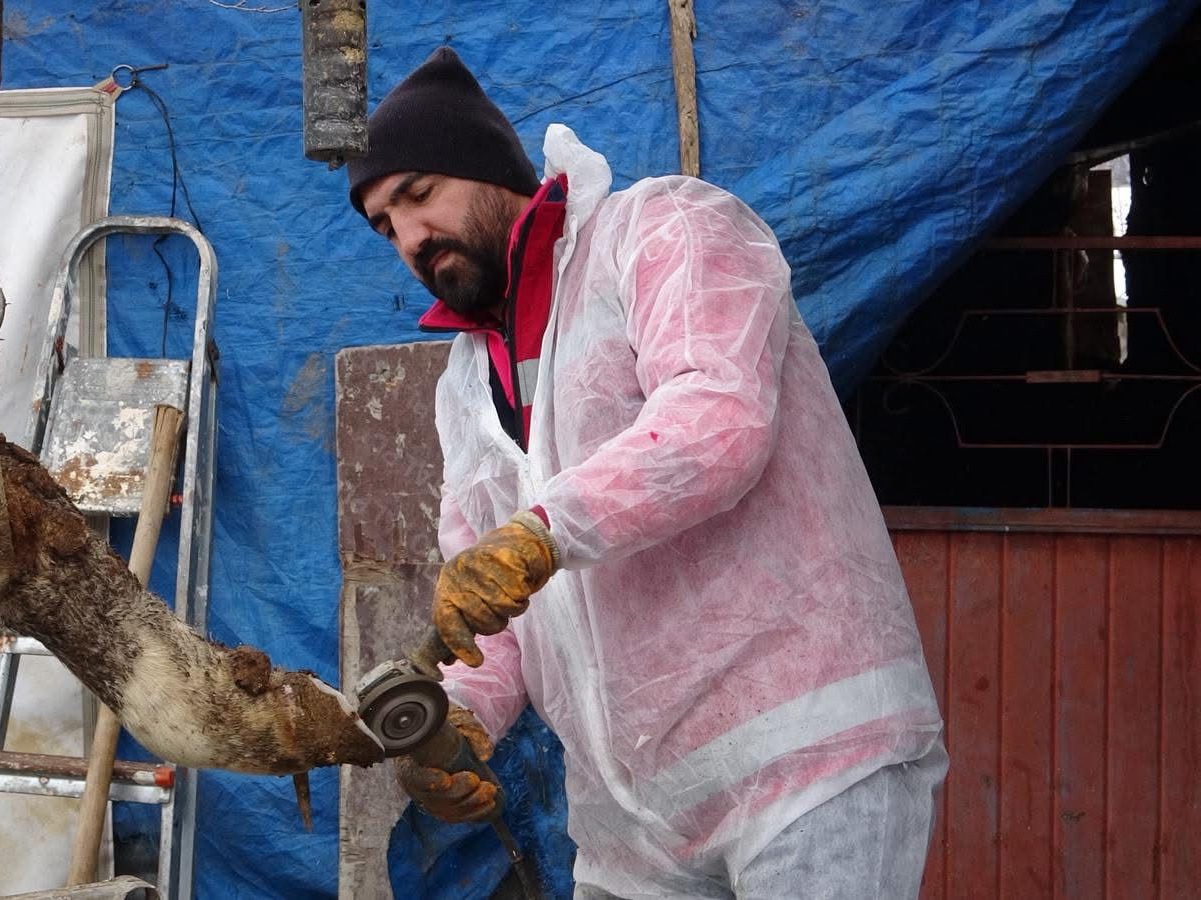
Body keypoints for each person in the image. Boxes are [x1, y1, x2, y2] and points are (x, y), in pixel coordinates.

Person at [343, 47, 948, 899]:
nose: (409, 237)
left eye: (418, 196)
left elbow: (716, 419)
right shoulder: (465, 384)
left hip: (805, 752)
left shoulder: (666, 228)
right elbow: (493, 605)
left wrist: (540, 535)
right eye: (383, 225)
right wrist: (460, 723)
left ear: (487, 170)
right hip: (634, 823)